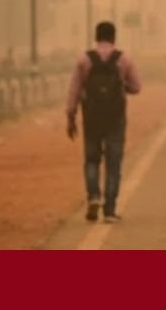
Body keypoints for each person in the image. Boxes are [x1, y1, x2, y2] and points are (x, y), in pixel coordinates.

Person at [65, 21, 141, 223]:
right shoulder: (123, 59)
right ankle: (109, 210)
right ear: (114, 38)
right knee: (113, 164)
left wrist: (70, 116)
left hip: (91, 117)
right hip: (115, 118)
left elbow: (74, 90)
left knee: (92, 159)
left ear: (96, 37)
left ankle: (93, 197)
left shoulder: (84, 60)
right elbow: (136, 87)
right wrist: (120, 87)